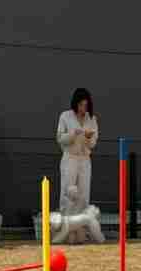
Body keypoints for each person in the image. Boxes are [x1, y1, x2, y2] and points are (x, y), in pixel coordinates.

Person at [56, 88, 100, 242]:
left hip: (85, 160)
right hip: (70, 158)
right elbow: (60, 138)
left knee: (83, 194)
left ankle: (81, 232)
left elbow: (93, 144)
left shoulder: (92, 119)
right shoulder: (65, 116)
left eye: (86, 105)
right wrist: (72, 134)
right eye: (81, 105)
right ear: (76, 104)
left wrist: (88, 137)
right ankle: (65, 232)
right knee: (67, 193)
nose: (83, 108)